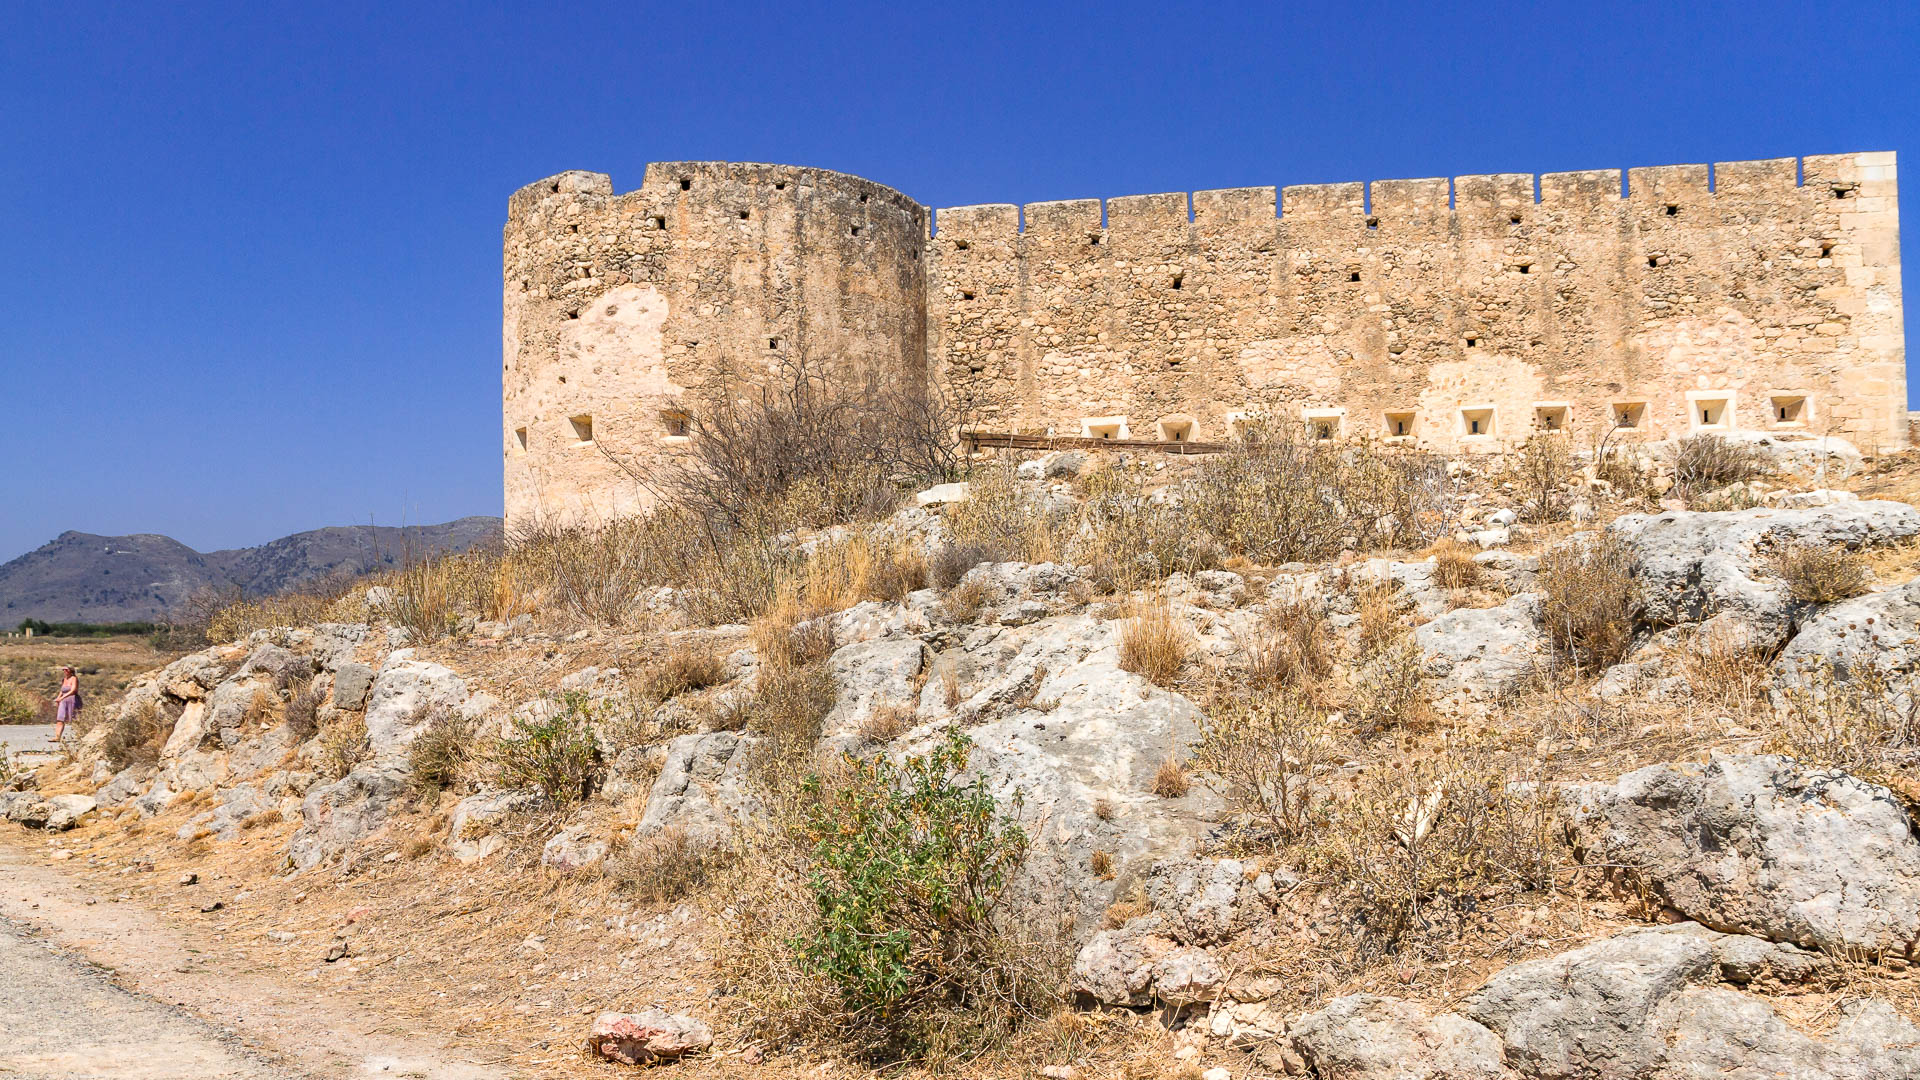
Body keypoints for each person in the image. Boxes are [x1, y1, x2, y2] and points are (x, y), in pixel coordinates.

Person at [51, 666, 81, 742]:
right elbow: (62, 690)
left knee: (75, 719)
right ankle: (57, 737)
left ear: (70, 670)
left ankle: (80, 735)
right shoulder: (64, 679)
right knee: (60, 719)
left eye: (66, 669)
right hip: (63, 701)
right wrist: (58, 698)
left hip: (72, 700)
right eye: (63, 669)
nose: (64, 671)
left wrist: (62, 697)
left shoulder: (74, 678)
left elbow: (73, 690)